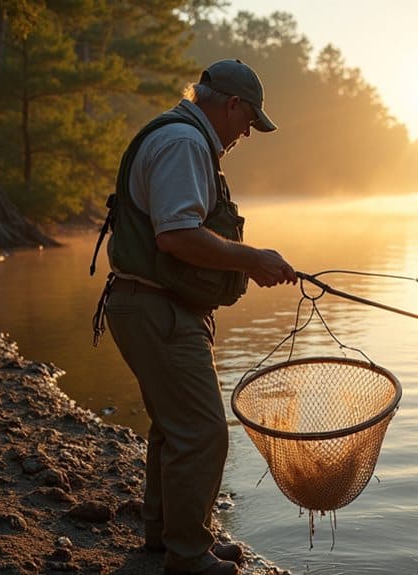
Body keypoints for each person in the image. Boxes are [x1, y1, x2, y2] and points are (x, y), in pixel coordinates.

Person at [96, 59, 297, 575]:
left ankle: (170, 537)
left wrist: (249, 263)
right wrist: (251, 258)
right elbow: (176, 235)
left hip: (151, 305)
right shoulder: (185, 143)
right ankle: (187, 556)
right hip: (154, 308)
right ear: (231, 104)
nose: (246, 134)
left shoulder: (181, 137)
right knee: (203, 432)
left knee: (173, 426)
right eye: (249, 122)